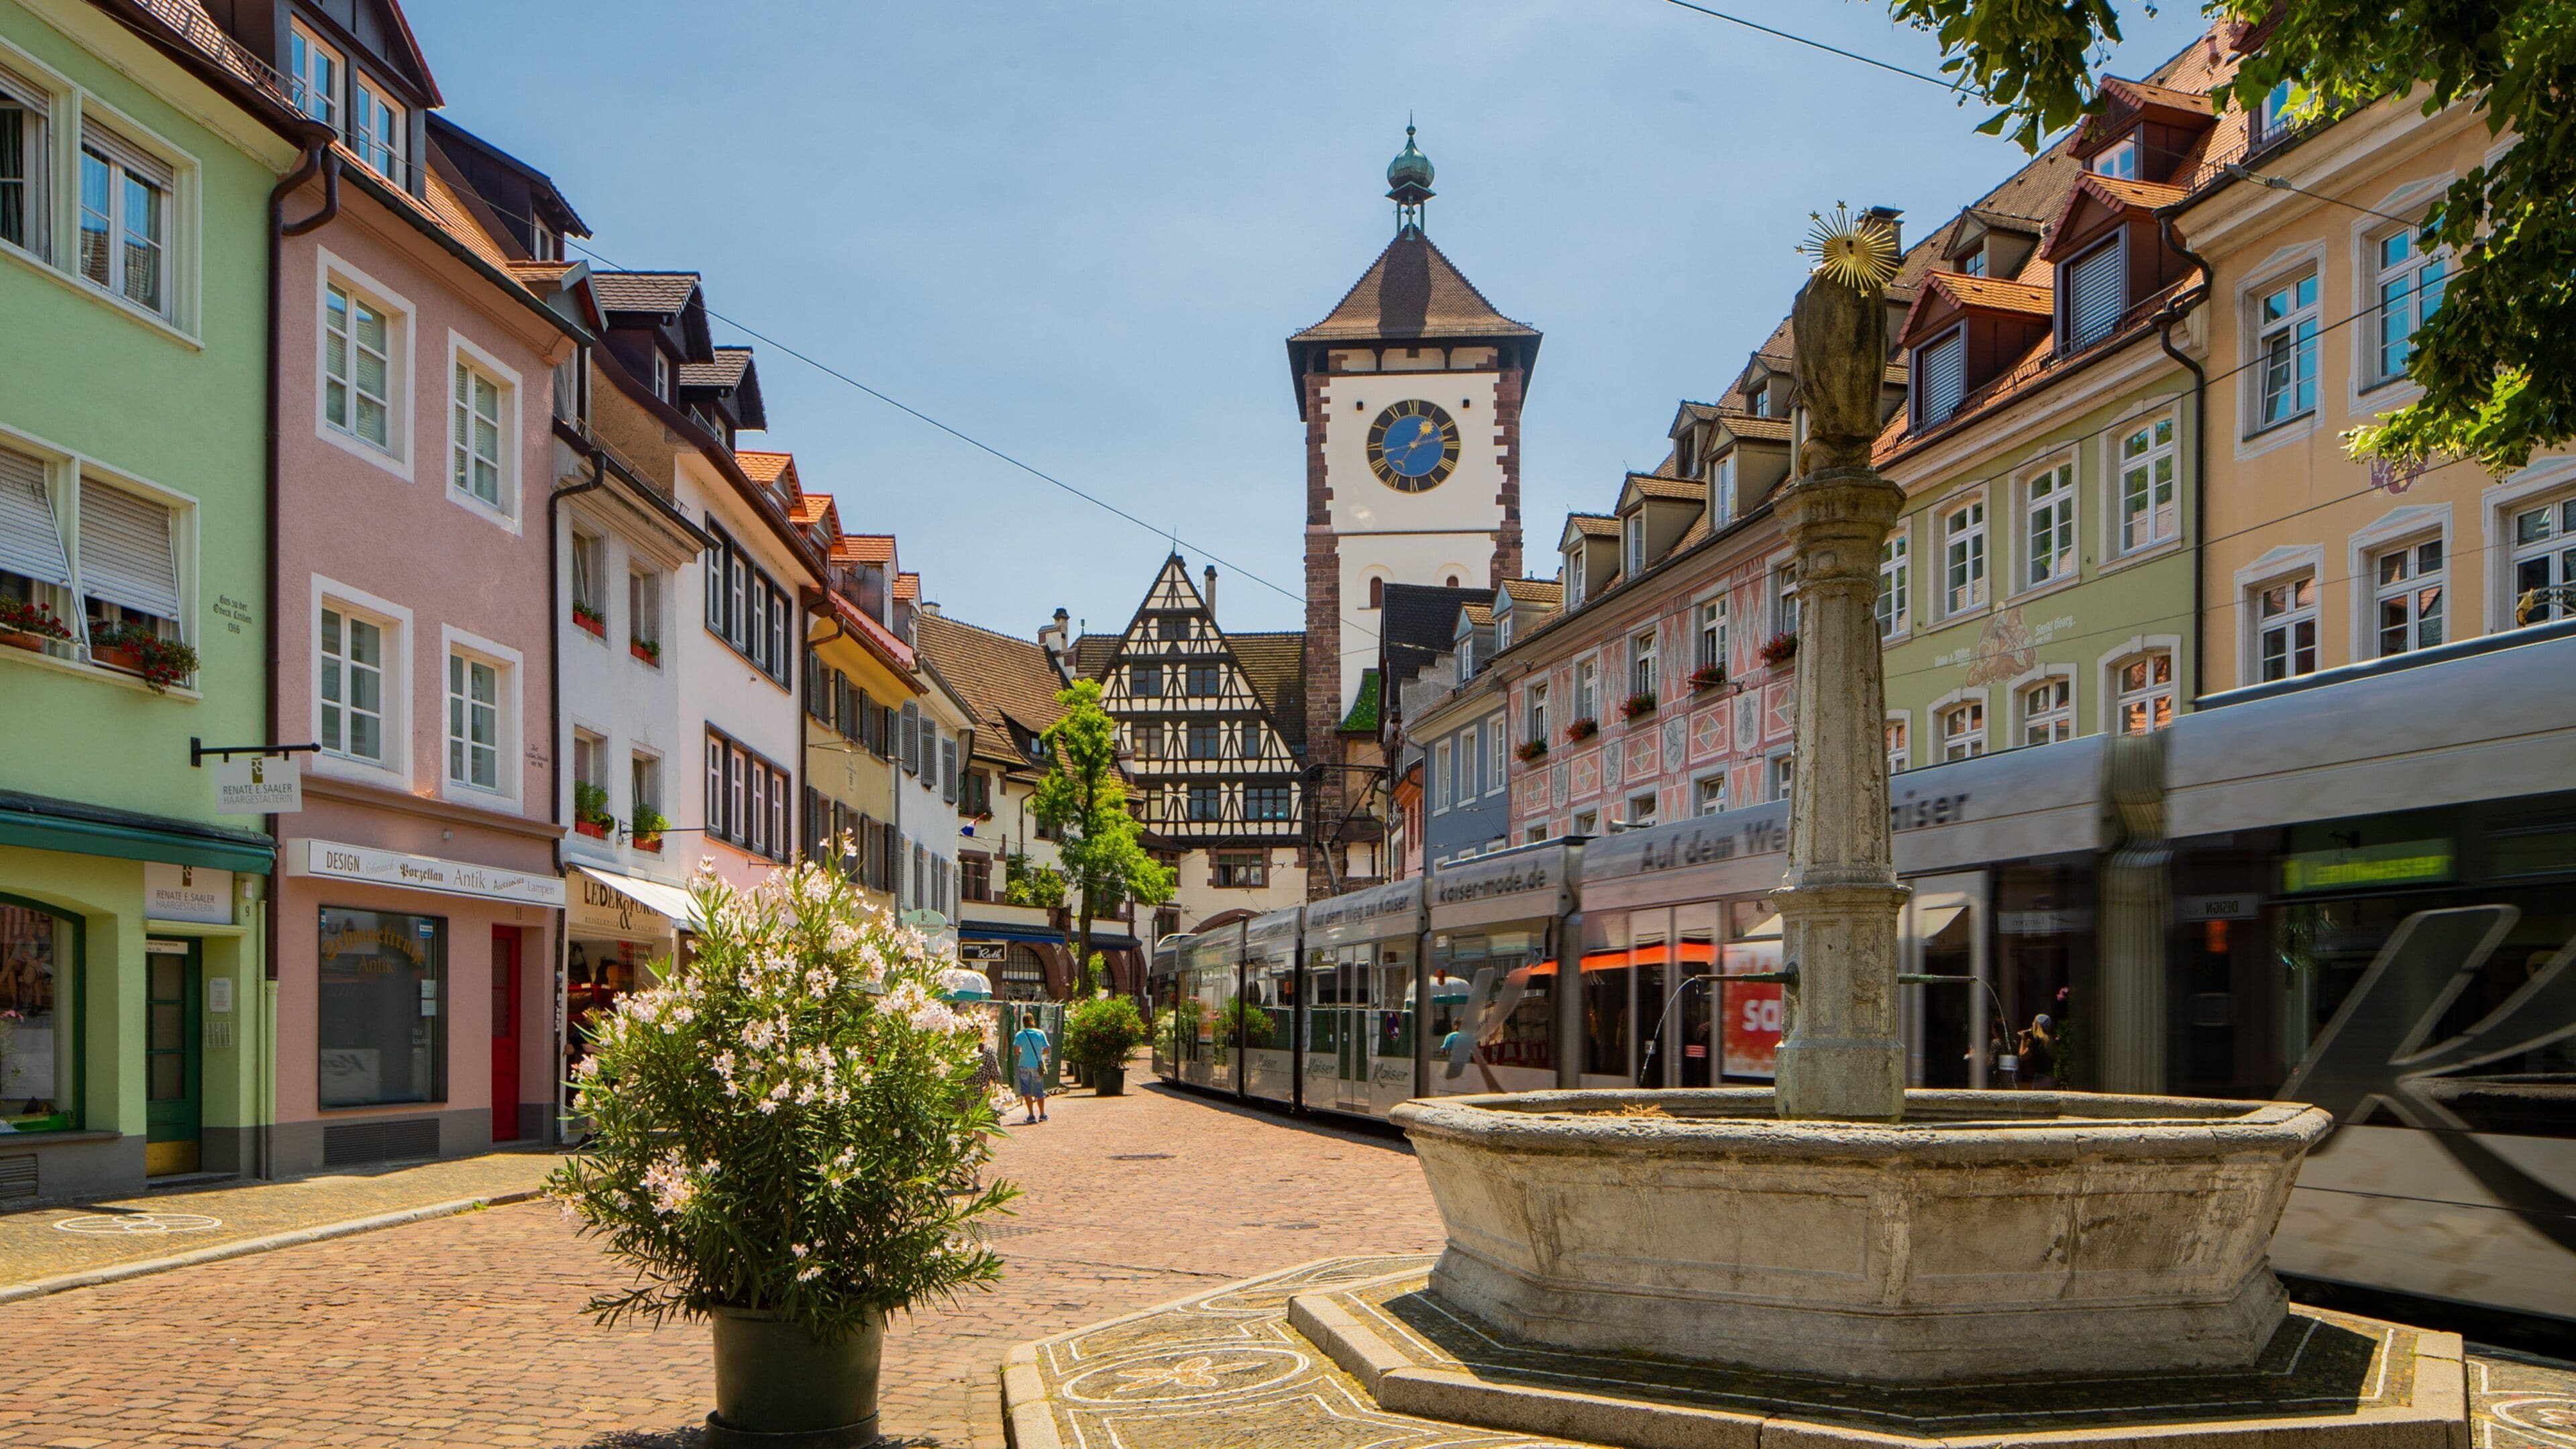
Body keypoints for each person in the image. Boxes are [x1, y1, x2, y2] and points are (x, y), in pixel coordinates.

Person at [1012, 1008, 1051, 1124]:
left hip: (1024, 1064)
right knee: (1039, 1090)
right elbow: (1047, 1049)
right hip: (1036, 1065)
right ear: (1033, 1021)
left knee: (1026, 1091)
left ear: (1024, 1023)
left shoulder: (1020, 1034)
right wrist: (1039, 1054)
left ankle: (1031, 1115)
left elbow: (1016, 1051)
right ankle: (1042, 1114)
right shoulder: (1040, 1033)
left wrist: (1022, 1053)